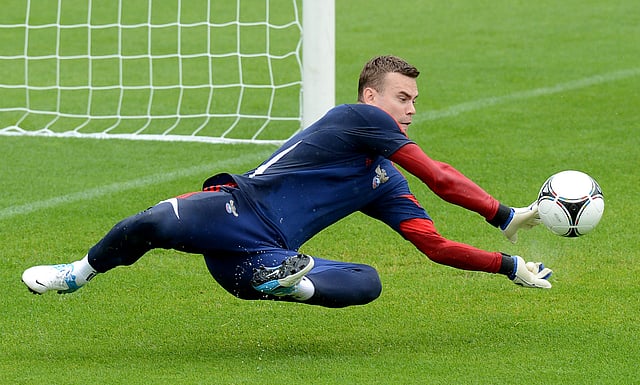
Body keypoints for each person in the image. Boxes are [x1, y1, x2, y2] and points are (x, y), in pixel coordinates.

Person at [22, 55, 552, 308]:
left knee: (367, 283)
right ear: (372, 98)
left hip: (261, 256)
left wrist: (508, 266)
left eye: (414, 101)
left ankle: (284, 281)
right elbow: (438, 176)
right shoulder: (357, 118)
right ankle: (77, 272)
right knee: (154, 221)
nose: (410, 109)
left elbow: (432, 246)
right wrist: (503, 215)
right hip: (234, 208)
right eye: (402, 98)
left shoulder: (386, 185)